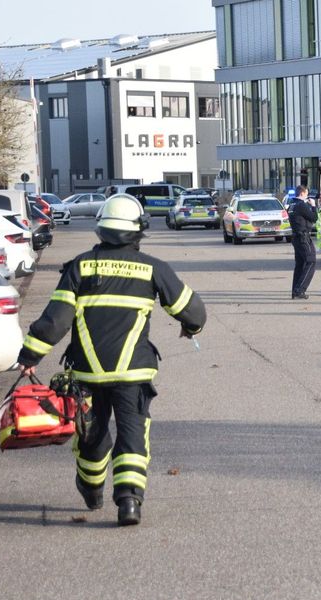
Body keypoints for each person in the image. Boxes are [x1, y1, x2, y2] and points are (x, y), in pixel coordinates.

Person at [15, 194, 206, 526]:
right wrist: (191, 328)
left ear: (101, 228)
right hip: (133, 373)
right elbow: (192, 311)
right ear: (138, 230)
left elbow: (56, 320)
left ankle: (91, 490)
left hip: (87, 374)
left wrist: (30, 355)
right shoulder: (152, 268)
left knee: (91, 434)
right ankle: (129, 501)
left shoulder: (80, 266)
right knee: (133, 434)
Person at [289, 185, 318, 300]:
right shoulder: (301, 205)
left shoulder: (292, 204)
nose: (307, 196)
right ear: (302, 193)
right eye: (306, 193)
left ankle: (295, 290)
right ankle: (299, 290)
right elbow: (314, 218)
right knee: (311, 261)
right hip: (303, 237)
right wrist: (313, 205)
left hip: (296, 236)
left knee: (300, 264)